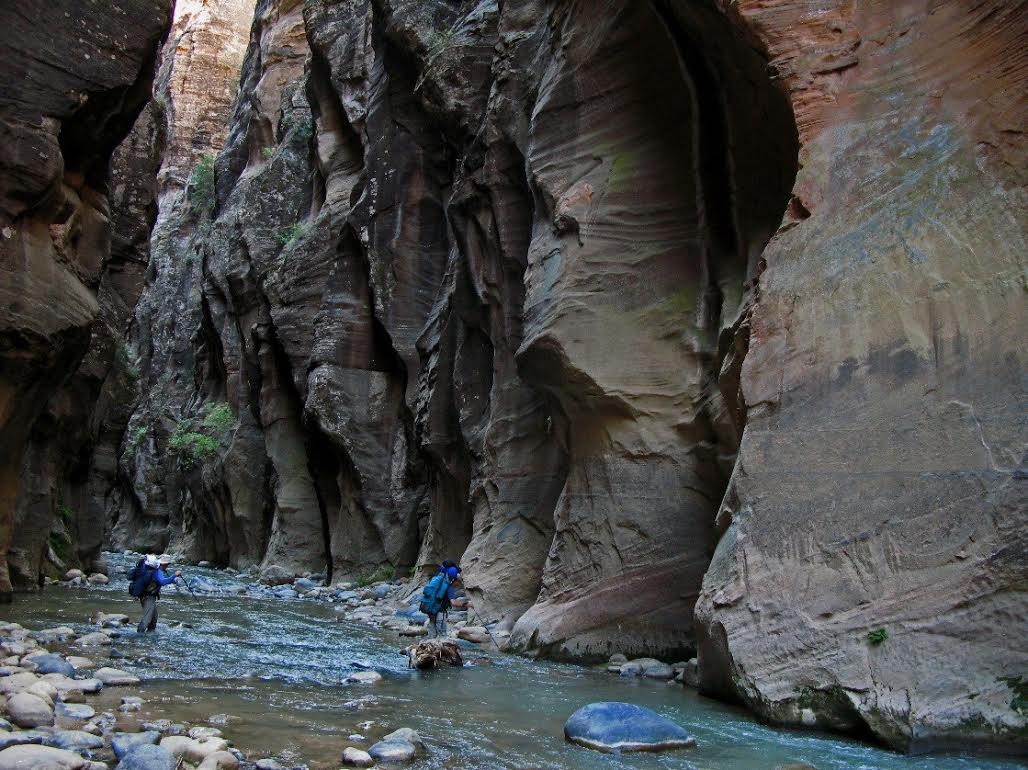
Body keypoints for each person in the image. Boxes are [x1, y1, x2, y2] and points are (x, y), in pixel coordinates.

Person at [136, 554, 182, 633]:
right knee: (147, 619)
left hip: (148, 597)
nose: (167, 566)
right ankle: (138, 635)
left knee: (154, 619)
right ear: (161, 564)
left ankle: (149, 636)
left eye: (167, 564)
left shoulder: (156, 571)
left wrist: (173, 579)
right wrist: (174, 575)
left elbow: (160, 580)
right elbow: (163, 581)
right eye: (166, 564)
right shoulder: (158, 571)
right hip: (148, 597)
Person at [420, 563, 461, 639]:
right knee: (442, 636)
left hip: (431, 610)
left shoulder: (438, 581)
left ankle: (428, 647)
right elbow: (454, 603)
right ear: (455, 580)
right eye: (460, 582)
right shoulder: (449, 588)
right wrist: (467, 604)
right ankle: (438, 650)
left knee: (432, 634)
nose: (459, 584)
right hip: (440, 614)